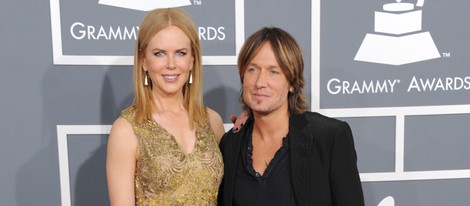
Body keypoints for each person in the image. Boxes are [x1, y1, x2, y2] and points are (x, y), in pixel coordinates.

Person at [218, 27, 365, 205]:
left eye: (273, 71)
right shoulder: (231, 144)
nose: (260, 82)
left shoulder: (329, 137)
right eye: (253, 69)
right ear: (243, 77)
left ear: (292, 83)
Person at [106, 8, 226, 205]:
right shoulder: (126, 130)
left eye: (180, 53)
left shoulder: (212, 121)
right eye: (160, 53)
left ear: (192, 59)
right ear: (144, 61)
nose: (171, 64)